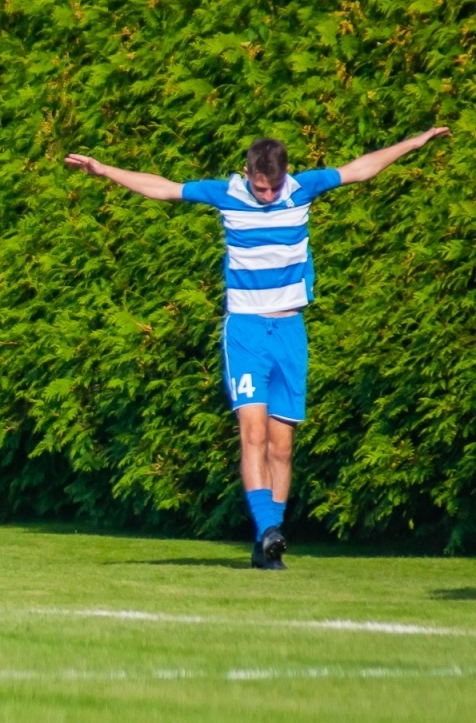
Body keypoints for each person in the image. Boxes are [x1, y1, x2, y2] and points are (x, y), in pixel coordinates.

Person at [65, 128, 448, 569]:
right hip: (245, 331)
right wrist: (102, 169)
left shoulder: (302, 189)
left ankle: (269, 543)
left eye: (274, 186)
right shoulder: (226, 194)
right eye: (260, 187)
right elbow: (164, 189)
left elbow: (359, 170)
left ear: (285, 175)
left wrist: (411, 143)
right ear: (247, 173)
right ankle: (267, 528)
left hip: (290, 331)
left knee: (282, 446)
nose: (267, 195)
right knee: (253, 432)